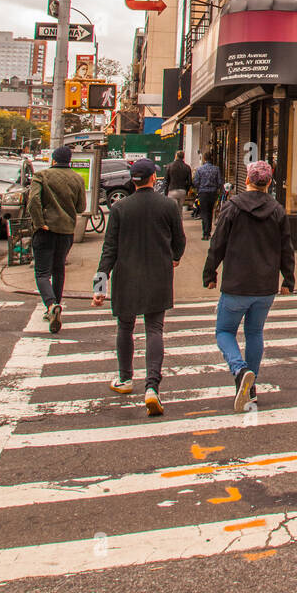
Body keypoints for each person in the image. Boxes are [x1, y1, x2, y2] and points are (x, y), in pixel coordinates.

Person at [92, 158, 186, 417]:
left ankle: (125, 378)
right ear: (152, 179)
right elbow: (179, 240)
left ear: (132, 180)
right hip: (158, 275)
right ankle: (152, 387)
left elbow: (108, 249)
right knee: (155, 329)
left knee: (125, 327)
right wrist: (174, 257)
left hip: (126, 277)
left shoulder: (120, 208)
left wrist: (100, 286)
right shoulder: (167, 205)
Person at [202, 160, 295, 412]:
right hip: (265, 286)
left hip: (236, 284)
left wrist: (210, 273)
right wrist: (288, 279)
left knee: (224, 332)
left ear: (247, 180)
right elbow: (286, 248)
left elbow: (217, 243)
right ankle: (250, 389)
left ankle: (240, 369)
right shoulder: (277, 210)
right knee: (255, 333)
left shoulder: (232, 208)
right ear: (269, 182)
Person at [27, 145, 86, 333]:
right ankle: (56, 305)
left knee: (42, 272)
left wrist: (39, 221)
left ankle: (51, 306)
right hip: (66, 231)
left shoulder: (41, 176)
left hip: (45, 230)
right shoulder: (77, 178)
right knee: (59, 269)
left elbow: (33, 200)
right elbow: (80, 207)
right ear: (69, 160)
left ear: (53, 159)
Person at [193, 152, 223, 239]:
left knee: (204, 212)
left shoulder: (199, 169)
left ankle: (205, 233)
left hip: (203, 193)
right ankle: (208, 232)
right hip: (212, 193)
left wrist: (199, 188)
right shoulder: (216, 169)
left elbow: (196, 182)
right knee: (210, 212)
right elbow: (219, 182)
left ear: (204, 159)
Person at [164, 149, 192, 214]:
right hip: (182, 190)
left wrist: (166, 191)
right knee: (180, 209)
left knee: (172, 210)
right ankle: (179, 222)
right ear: (183, 157)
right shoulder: (187, 167)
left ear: (176, 156)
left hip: (172, 190)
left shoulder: (170, 166)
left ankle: (173, 223)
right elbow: (190, 182)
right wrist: (186, 190)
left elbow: (166, 180)